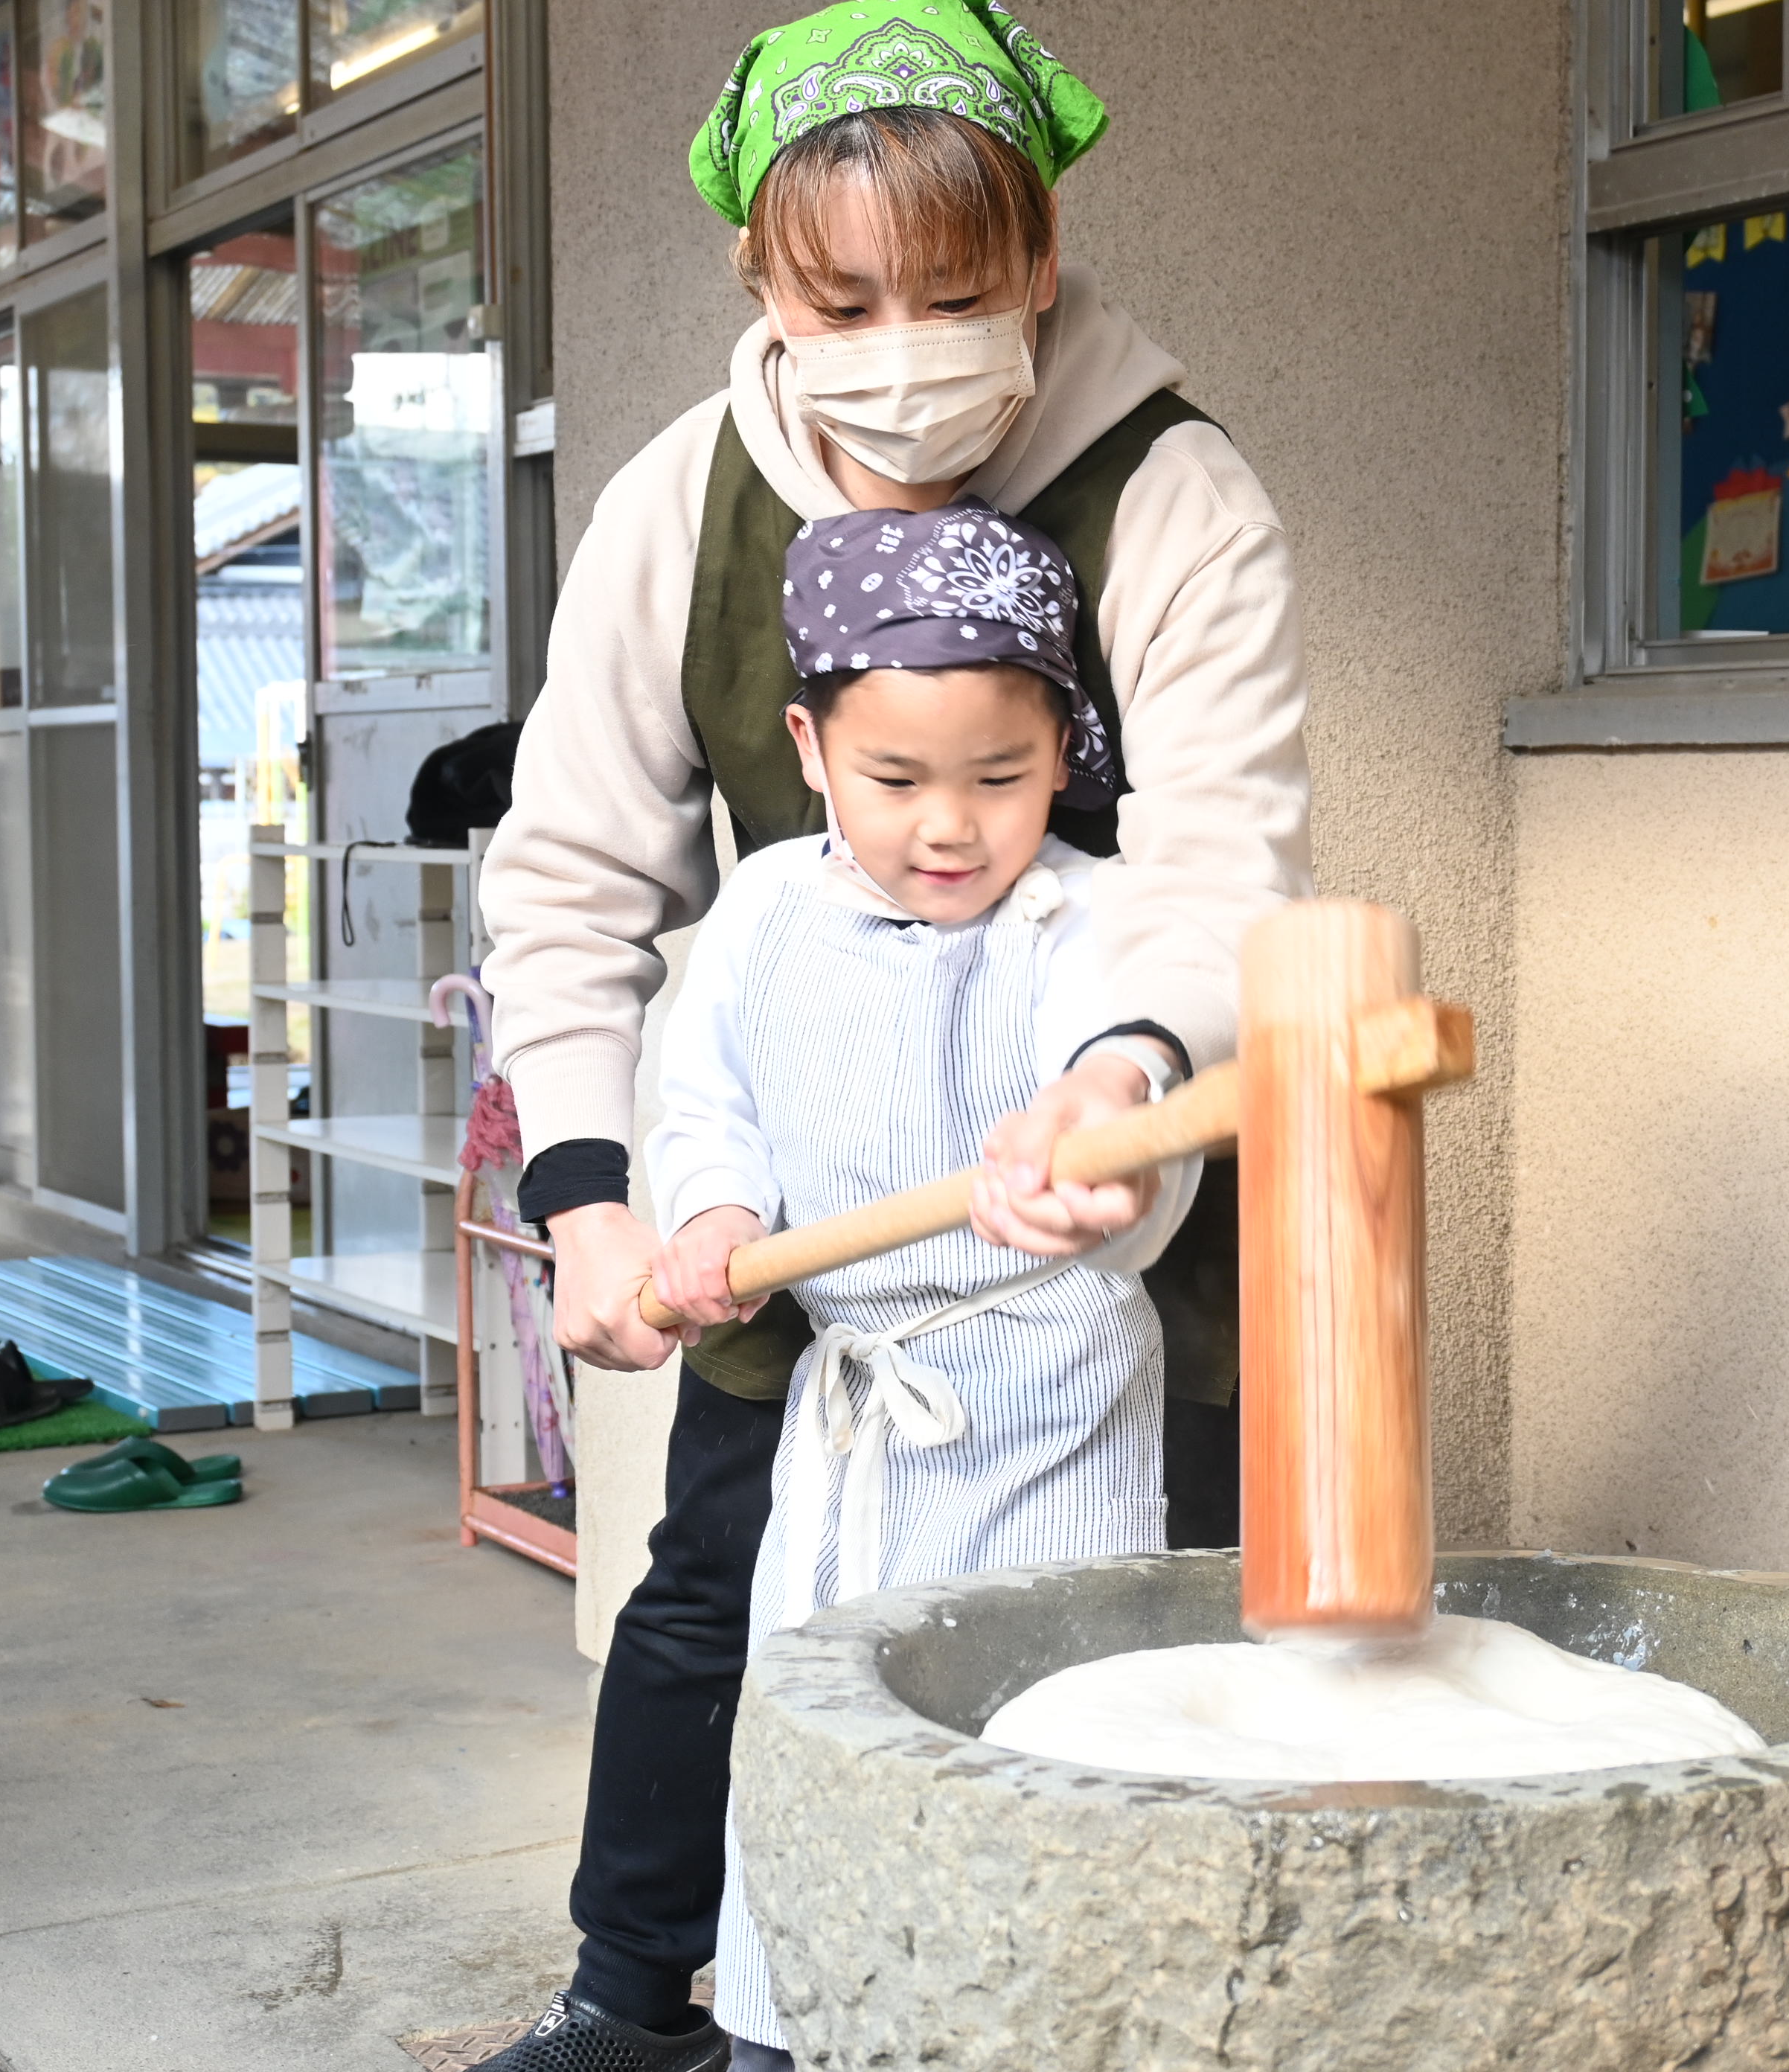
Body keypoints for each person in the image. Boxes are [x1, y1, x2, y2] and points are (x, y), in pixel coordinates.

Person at [473, 6, 1309, 2068]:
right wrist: (593, 1200)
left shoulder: (1173, 490)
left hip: (1116, 1177)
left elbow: (1222, 863)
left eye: (954, 286)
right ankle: (640, 1994)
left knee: (1144, 1616)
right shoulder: (685, 508)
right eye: (842, 295)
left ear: (1039, 254)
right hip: (817, 1181)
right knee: (720, 1580)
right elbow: (577, 882)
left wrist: (1115, 1083)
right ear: (763, 277)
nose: (901, 338)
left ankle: (1115, 2016)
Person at [662, 501, 1189, 2071]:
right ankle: (791, 2038)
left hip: (1052, 1402)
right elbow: (711, 1110)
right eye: (897, 781)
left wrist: (1103, 1168)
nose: (948, 827)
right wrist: (710, 1219)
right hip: (856, 1424)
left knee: (1041, 1734)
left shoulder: (1086, 920)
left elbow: (1133, 1103)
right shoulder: (762, 910)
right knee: (820, 1742)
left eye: (1000, 780)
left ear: (1064, 753)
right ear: (812, 749)